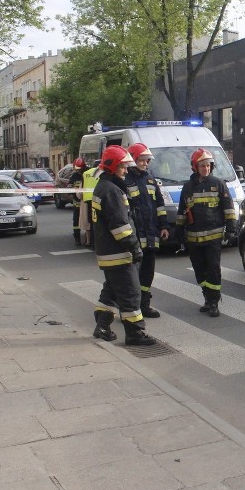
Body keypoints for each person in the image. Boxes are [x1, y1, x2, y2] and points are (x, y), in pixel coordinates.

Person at [90, 145, 156, 346]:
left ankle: (102, 326)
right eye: (122, 167)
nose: (126, 171)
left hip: (108, 253)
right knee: (131, 293)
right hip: (119, 253)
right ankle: (135, 334)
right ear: (111, 167)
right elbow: (120, 227)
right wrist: (135, 248)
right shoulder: (112, 191)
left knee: (111, 291)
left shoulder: (103, 187)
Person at [176, 148, 236, 317]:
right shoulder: (187, 187)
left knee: (213, 270)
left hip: (213, 238)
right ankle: (206, 297)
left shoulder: (218, 184)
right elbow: (182, 211)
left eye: (208, 165)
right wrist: (179, 231)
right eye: (202, 165)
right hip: (194, 238)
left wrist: (231, 229)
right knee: (199, 270)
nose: (206, 168)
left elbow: (228, 208)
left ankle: (214, 302)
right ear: (195, 167)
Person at [126, 143, 170, 318]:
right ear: (133, 160)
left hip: (150, 236)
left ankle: (144, 305)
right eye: (142, 160)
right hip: (134, 237)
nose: (145, 164)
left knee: (147, 274)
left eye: (147, 161)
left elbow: (159, 205)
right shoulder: (125, 180)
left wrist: (165, 226)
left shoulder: (150, 179)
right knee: (131, 275)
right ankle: (130, 308)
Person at [69, 158, 88, 246]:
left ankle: (89, 238)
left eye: (80, 169)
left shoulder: (87, 174)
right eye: (77, 169)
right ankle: (77, 237)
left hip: (87, 202)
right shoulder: (74, 176)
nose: (78, 171)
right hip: (77, 203)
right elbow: (69, 187)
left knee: (89, 220)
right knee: (76, 221)